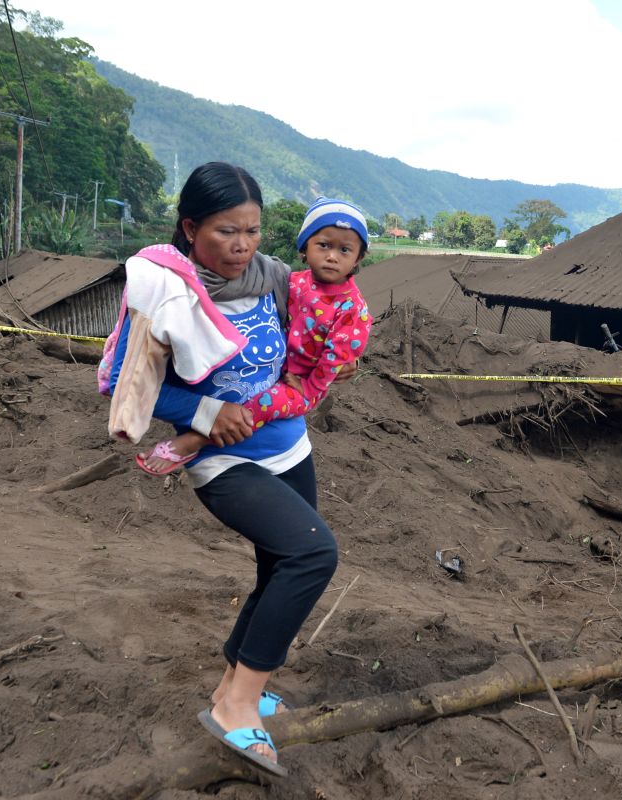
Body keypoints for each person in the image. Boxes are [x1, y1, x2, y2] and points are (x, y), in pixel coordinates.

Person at [102, 162, 338, 776]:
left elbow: (318, 327)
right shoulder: (163, 293)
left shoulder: (276, 280)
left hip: (290, 447)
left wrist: (331, 356)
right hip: (224, 460)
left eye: (253, 231)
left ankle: (235, 683)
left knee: (278, 569)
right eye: (226, 232)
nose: (241, 246)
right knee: (313, 554)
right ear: (189, 228)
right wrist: (209, 409)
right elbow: (135, 389)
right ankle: (236, 708)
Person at [135, 197, 373, 474]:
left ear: (359, 258)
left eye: (345, 250)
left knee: (265, 403)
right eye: (324, 245)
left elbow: (336, 357)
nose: (332, 256)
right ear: (304, 248)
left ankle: (196, 440)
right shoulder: (291, 282)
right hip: (282, 369)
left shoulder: (351, 306)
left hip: (305, 384)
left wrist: (310, 389)